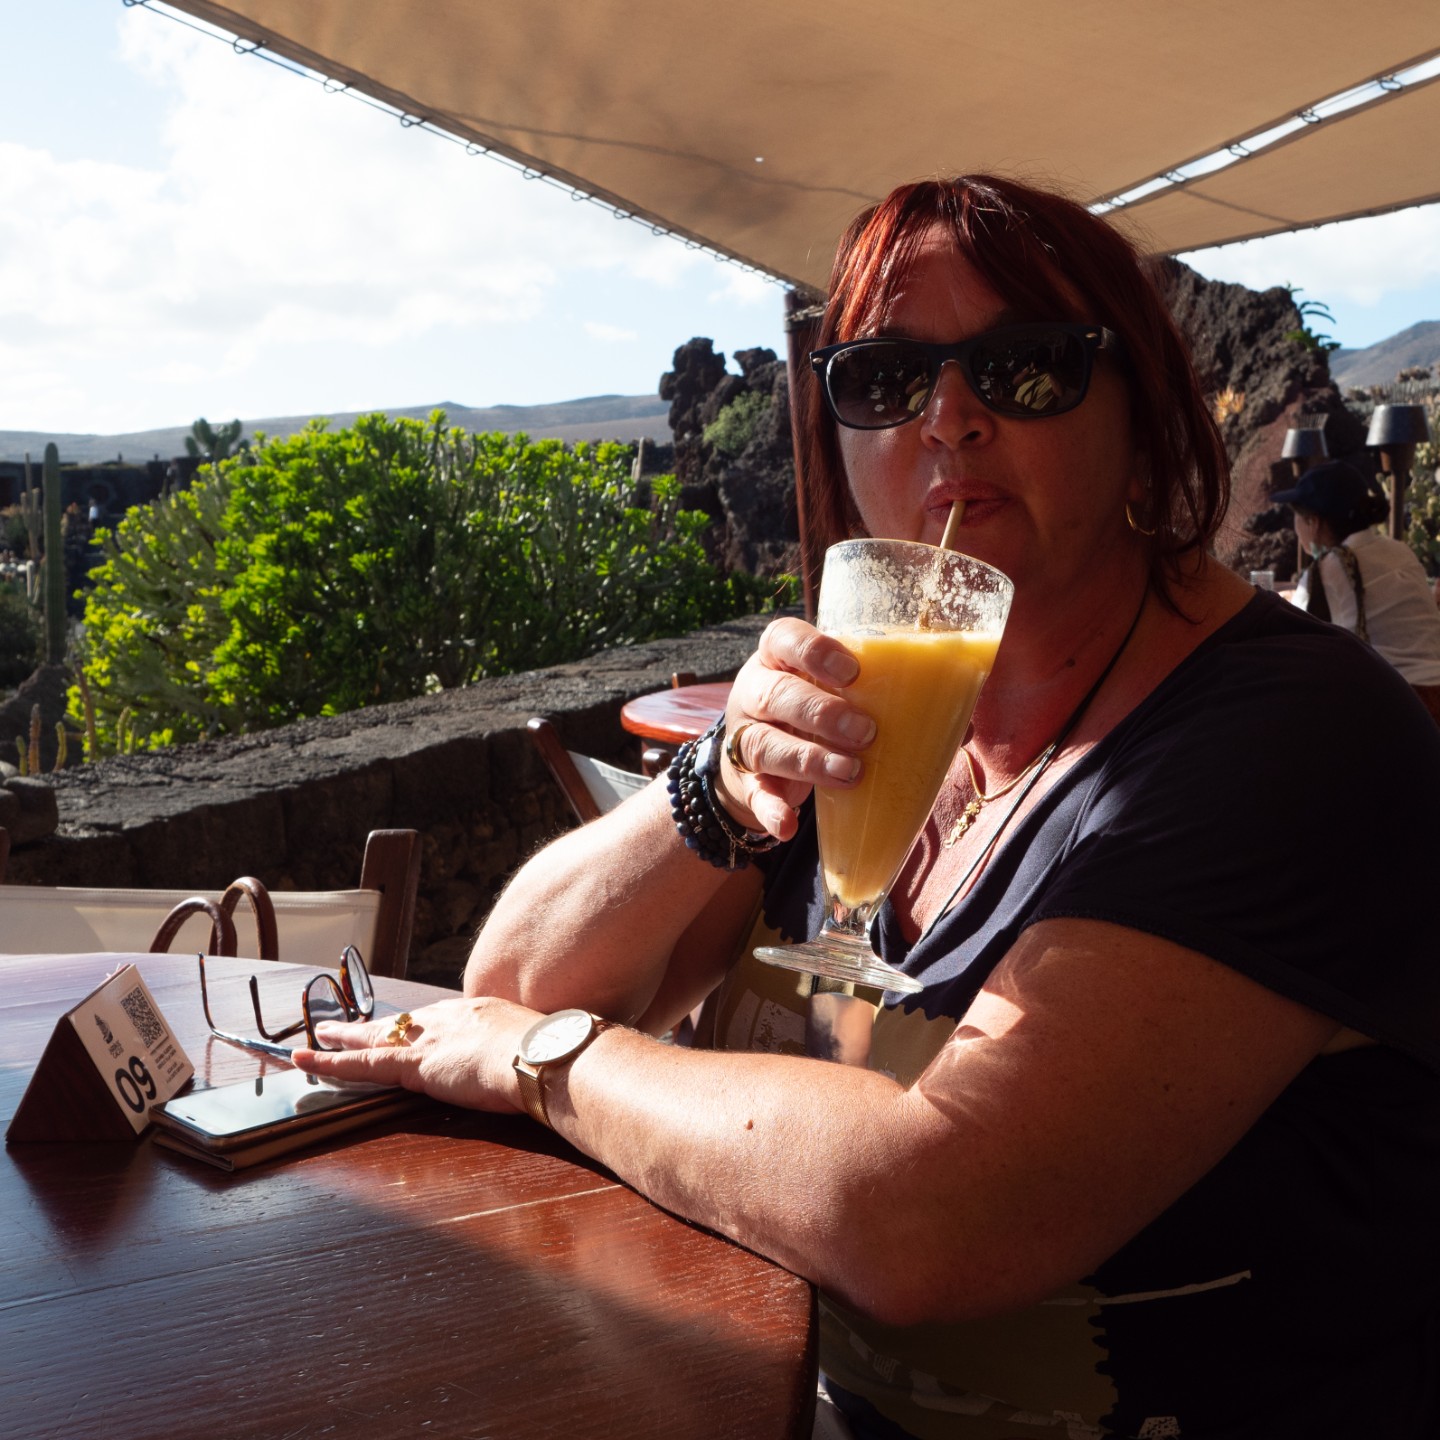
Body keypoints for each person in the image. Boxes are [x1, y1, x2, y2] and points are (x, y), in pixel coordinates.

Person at [296, 175, 1440, 1439]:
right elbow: (514, 977)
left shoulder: (1288, 737)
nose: (948, 416)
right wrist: (720, 784)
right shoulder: (863, 707)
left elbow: (927, 1217)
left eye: (1026, 367)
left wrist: (546, 1065)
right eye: (886, 378)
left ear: (1144, 411)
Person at [1275, 458, 1440, 722]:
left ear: (1313, 522)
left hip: (1398, 706)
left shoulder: (1326, 571)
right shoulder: (1400, 550)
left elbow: (1288, 640)